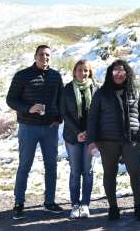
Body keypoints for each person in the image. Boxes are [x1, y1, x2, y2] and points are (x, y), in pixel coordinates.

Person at [86, 60, 140, 222]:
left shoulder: (134, 91)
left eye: (122, 71)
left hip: (132, 140)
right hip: (108, 141)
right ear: (110, 73)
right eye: (115, 71)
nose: (119, 74)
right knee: (110, 174)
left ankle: (139, 206)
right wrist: (91, 141)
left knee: (135, 173)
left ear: (127, 73)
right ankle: (113, 207)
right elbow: (92, 118)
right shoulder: (101, 93)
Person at [6, 45, 64, 220]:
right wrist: (28, 108)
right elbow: (11, 99)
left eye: (47, 55)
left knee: (51, 166)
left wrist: (58, 118)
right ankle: (19, 202)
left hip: (50, 129)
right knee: (25, 165)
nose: (44, 57)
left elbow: (61, 99)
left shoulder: (55, 76)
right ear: (35, 56)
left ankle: (49, 202)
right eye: (41, 54)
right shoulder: (22, 75)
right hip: (28, 127)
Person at [59, 60, 97, 218]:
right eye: (80, 70)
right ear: (74, 72)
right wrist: (78, 132)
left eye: (86, 71)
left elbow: (98, 113)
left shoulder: (96, 89)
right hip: (72, 137)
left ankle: (85, 204)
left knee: (88, 171)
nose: (83, 73)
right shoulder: (67, 89)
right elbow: (64, 113)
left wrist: (88, 132)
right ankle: (75, 205)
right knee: (75, 171)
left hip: (90, 137)